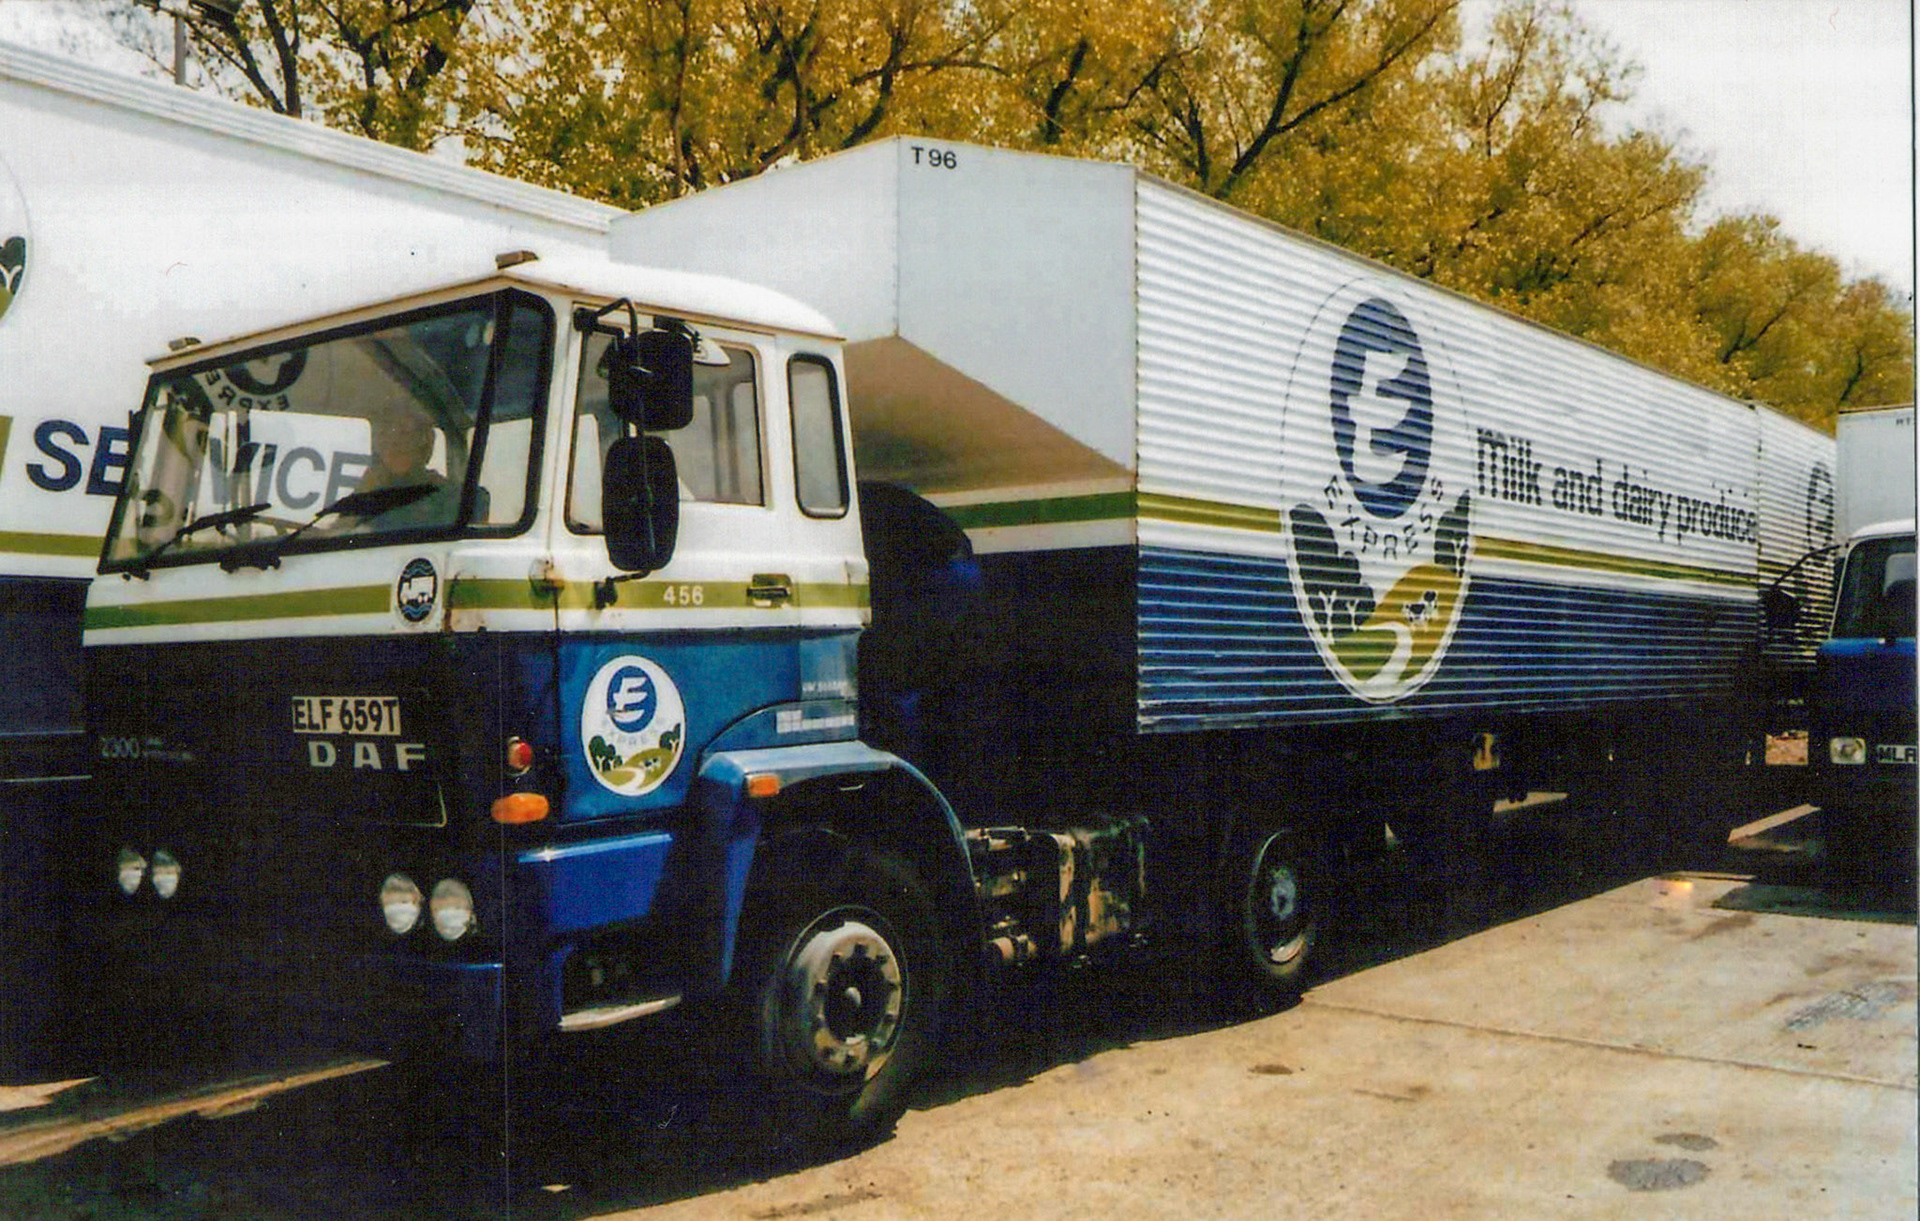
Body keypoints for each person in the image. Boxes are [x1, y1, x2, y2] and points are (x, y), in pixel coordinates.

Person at [355, 407, 461, 529]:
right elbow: (341, 530)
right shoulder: (370, 488)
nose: (394, 442)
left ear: (424, 442)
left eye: (405, 433)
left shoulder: (447, 495)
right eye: (385, 433)